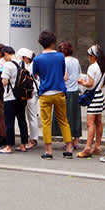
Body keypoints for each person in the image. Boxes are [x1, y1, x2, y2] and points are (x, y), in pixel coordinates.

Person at [33, 31, 74, 159]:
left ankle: (49, 151)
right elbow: (62, 73)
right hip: (60, 91)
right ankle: (69, 148)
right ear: (53, 42)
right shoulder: (60, 57)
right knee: (63, 120)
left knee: (46, 122)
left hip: (45, 92)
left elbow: (35, 74)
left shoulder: (37, 59)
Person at [76, 45, 105, 158]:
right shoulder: (102, 66)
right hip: (99, 95)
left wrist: (82, 82)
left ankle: (87, 148)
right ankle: (97, 146)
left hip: (93, 97)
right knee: (98, 122)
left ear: (93, 56)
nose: (88, 57)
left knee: (90, 124)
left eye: (89, 55)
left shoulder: (92, 67)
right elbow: (101, 83)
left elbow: (90, 84)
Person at [0, 46, 29, 154]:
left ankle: (9, 146)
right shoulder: (23, 63)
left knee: (9, 122)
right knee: (22, 120)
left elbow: (5, 81)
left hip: (10, 97)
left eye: (3, 56)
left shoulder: (8, 65)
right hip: (22, 97)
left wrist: (2, 80)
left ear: (6, 54)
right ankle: (23, 145)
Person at [53, 41, 82, 148]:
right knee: (75, 116)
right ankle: (76, 141)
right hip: (75, 91)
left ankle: (68, 142)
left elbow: (64, 77)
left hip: (66, 92)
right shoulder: (76, 60)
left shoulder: (63, 61)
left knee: (66, 118)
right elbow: (78, 74)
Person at [18, 48, 40, 150]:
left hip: (32, 92)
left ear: (26, 57)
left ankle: (33, 139)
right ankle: (32, 138)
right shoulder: (32, 65)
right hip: (32, 92)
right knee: (31, 115)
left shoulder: (31, 66)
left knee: (32, 115)